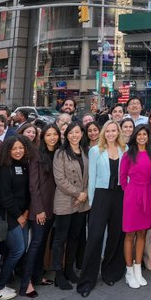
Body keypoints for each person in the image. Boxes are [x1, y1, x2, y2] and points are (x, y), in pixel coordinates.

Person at [80, 120, 125, 296]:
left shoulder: (125, 149)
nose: (111, 134)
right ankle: (87, 280)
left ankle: (111, 272)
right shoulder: (95, 151)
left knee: (116, 235)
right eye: (108, 131)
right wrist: (92, 202)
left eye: (114, 130)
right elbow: (92, 177)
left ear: (118, 132)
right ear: (103, 133)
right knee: (95, 236)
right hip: (101, 196)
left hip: (120, 195)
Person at [19, 124, 60, 297]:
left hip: (54, 206)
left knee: (42, 243)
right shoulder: (36, 154)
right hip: (40, 207)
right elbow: (33, 185)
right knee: (35, 243)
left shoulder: (59, 153)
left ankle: (37, 276)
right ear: (43, 137)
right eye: (48, 134)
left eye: (55, 134)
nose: (52, 137)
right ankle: (25, 283)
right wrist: (38, 209)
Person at [0, 136, 31, 300]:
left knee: (20, 249)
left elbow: (26, 192)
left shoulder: (24, 165)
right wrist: (19, 216)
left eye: (21, 148)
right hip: (8, 216)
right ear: (7, 150)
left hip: (22, 214)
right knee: (18, 249)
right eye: (14, 148)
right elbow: (4, 197)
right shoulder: (4, 169)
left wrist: (26, 212)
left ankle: (5, 281)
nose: (18, 151)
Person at [50, 122, 90, 290]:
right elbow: (59, 179)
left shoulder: (86, 151)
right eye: (71, 133)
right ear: (66, 135)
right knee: (60, 239)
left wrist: (85, 193)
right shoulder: (60, 153)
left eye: (77, 132)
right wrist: (78, 194)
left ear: (82, 134)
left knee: (74, 237)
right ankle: (58, 274)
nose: (74, 135)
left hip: (82, 202)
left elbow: (90, 176)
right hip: (65, 201)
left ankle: (69, 269)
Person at [120, 125, 151, 288]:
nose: (142, 137)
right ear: (135, 137)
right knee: (129, 234)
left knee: (142, 233)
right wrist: (129, 192)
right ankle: (129, 272)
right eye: (139, 134)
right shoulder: (128, 155)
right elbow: (122, 178)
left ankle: (138, 269)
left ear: (148, 137)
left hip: (148, 193)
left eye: (144, 134)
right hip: (133, 194)